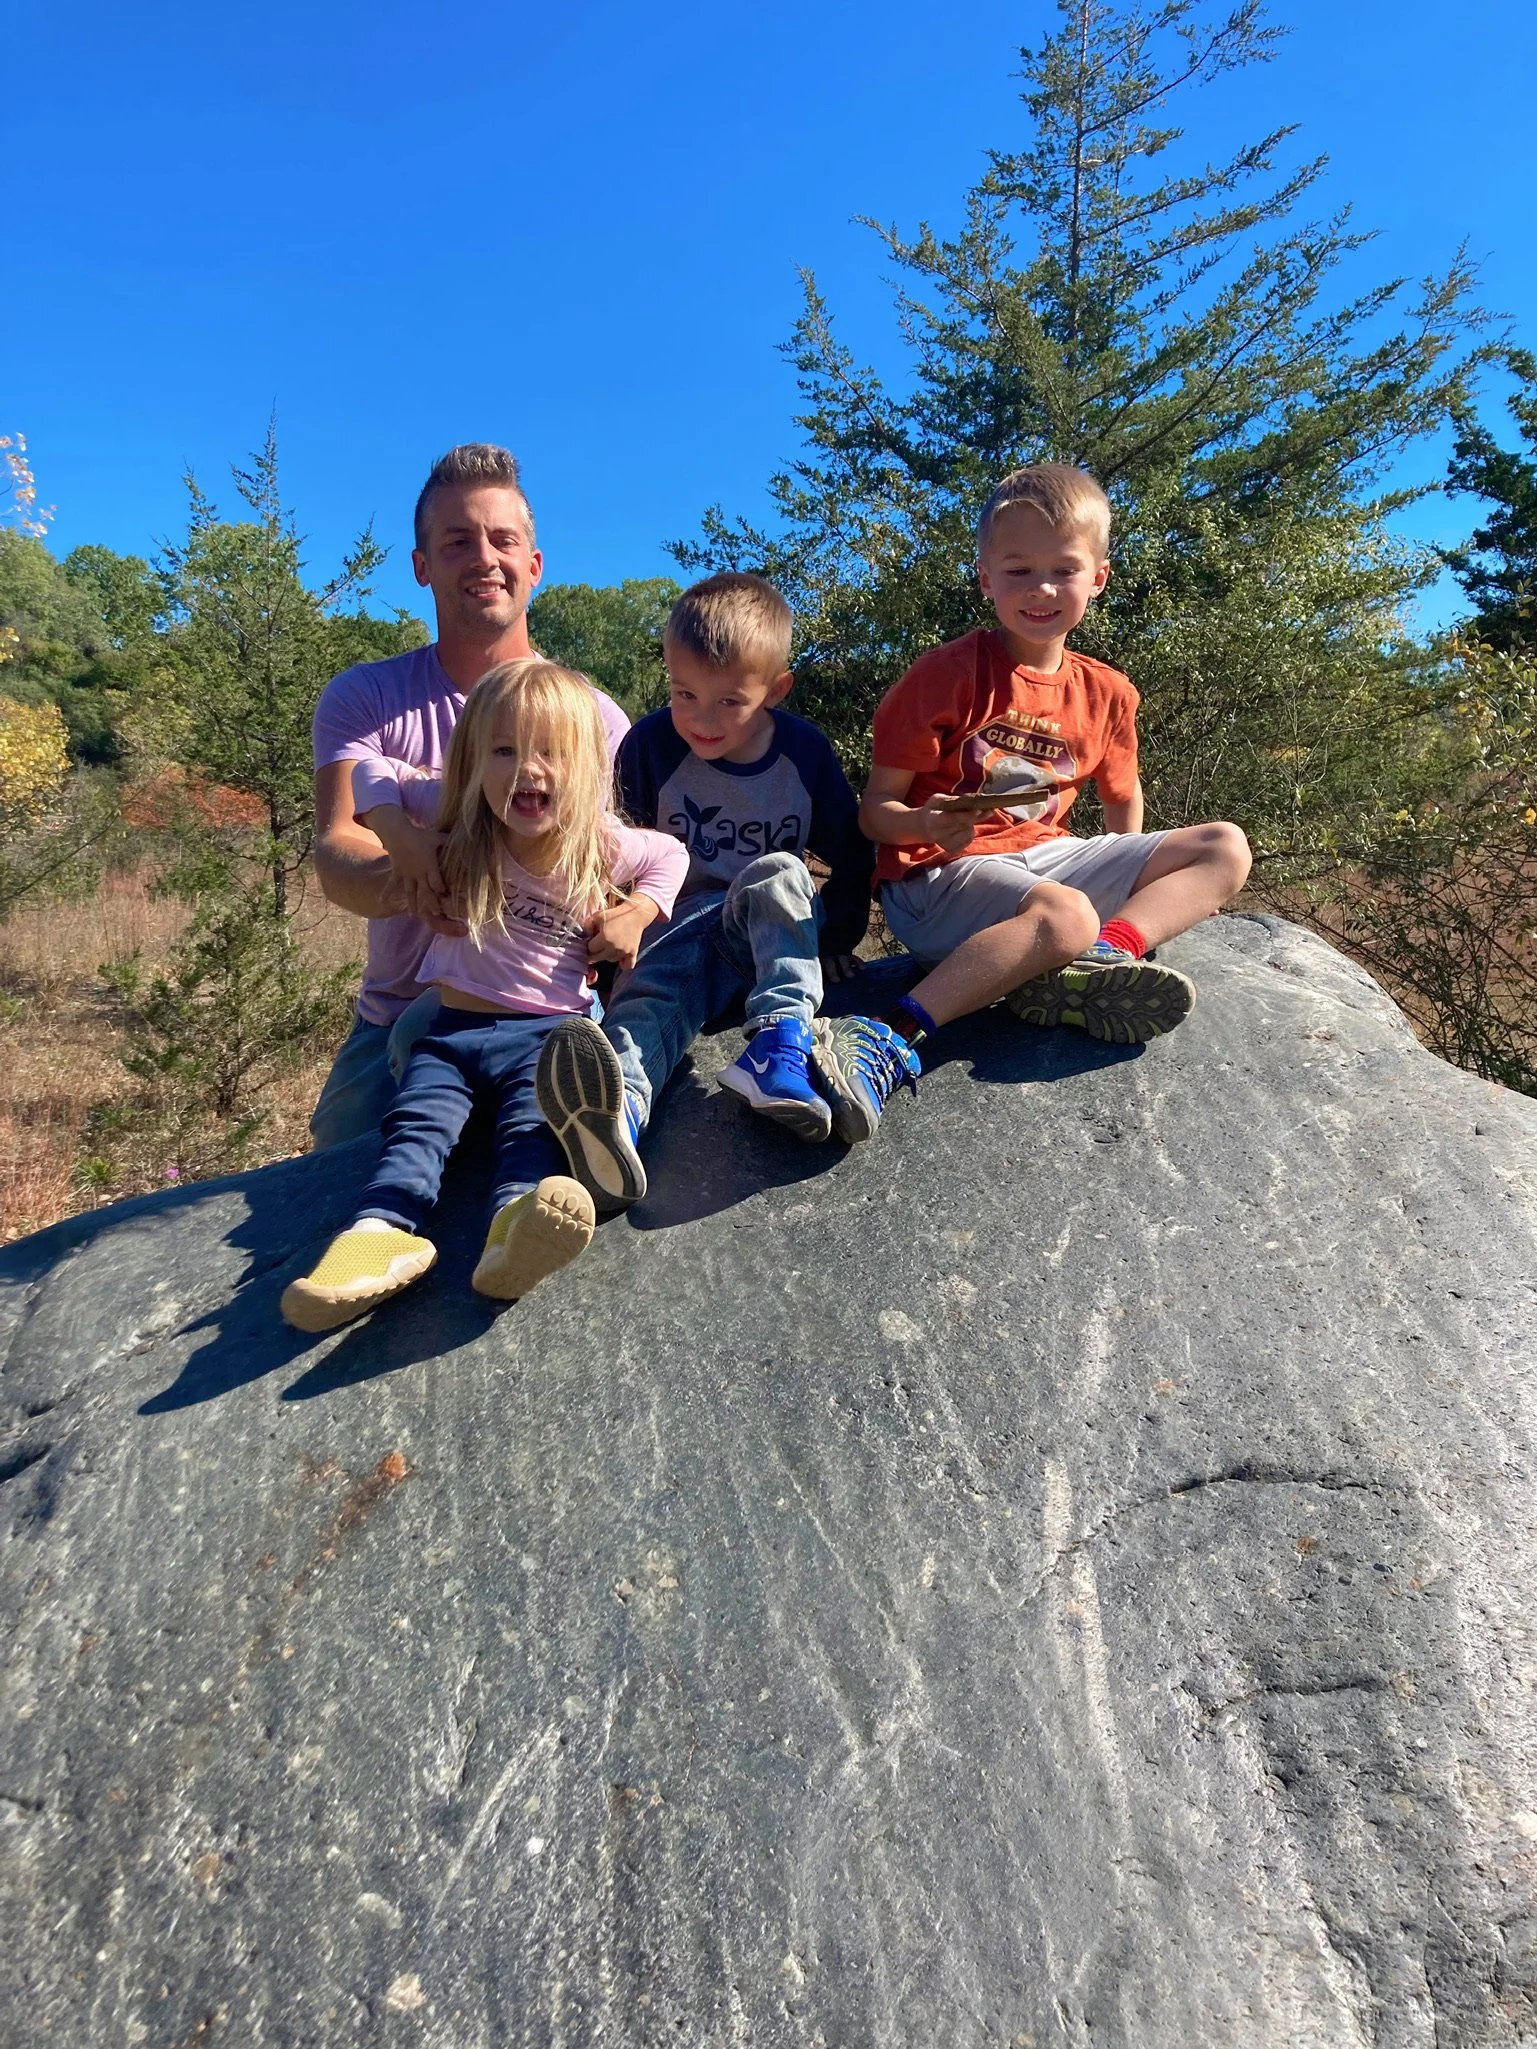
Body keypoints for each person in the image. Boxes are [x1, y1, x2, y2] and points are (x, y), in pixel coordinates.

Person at [281, 660, 688, 1333]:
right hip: (450, 1032)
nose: (528, 770)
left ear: (589, 769)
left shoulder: (597, 844)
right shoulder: (462, 818)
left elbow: (670, 855)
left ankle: (514, 1231)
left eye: (553, 753)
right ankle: (377, 1236)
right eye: (504, 751)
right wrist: (401, 836)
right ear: (472, 761)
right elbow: (370, 772)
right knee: (416, 1127)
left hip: (546, 1039)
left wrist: (638, 912)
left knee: (531, 1132)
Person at [846, 462, 1251, 1092]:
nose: (1042, 589)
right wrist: (926, 822)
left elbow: (1123, 801)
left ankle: (1103, 957)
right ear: (986, 579)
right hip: (936, 877)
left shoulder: (1108, 692)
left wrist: (1129, 879)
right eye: (1019, 571)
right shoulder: (945, 675)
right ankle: (889, 1035)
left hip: (1043, 867)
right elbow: (875, 813)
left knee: (1224, 846)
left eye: (1064, 570)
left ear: (1098, 578)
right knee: (1067, 915)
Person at [530, 571, 916, 1212]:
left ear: (776, 690)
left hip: (770, 934)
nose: (700, 719)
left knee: (780, 872)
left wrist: (837, 939)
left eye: (728, 701)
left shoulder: (803, 753)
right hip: (677, 927)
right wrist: (612, 940)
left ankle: (780, 1040)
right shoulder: (650, 746)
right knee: (651, 1000)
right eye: (684, 694)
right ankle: (616, 1116)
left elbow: (852, 848)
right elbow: (611, 848)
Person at [308, 444, 631, 1151]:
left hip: (548, 1019)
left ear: (534, 565)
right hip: (395, 1015)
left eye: (502, 540)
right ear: (422, 565)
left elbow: (618, 866)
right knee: (330, 1180)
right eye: (457, 541)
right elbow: (336, 850)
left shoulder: (597, 719)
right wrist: (417, 873)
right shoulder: (365, 698)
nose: (484, 558)